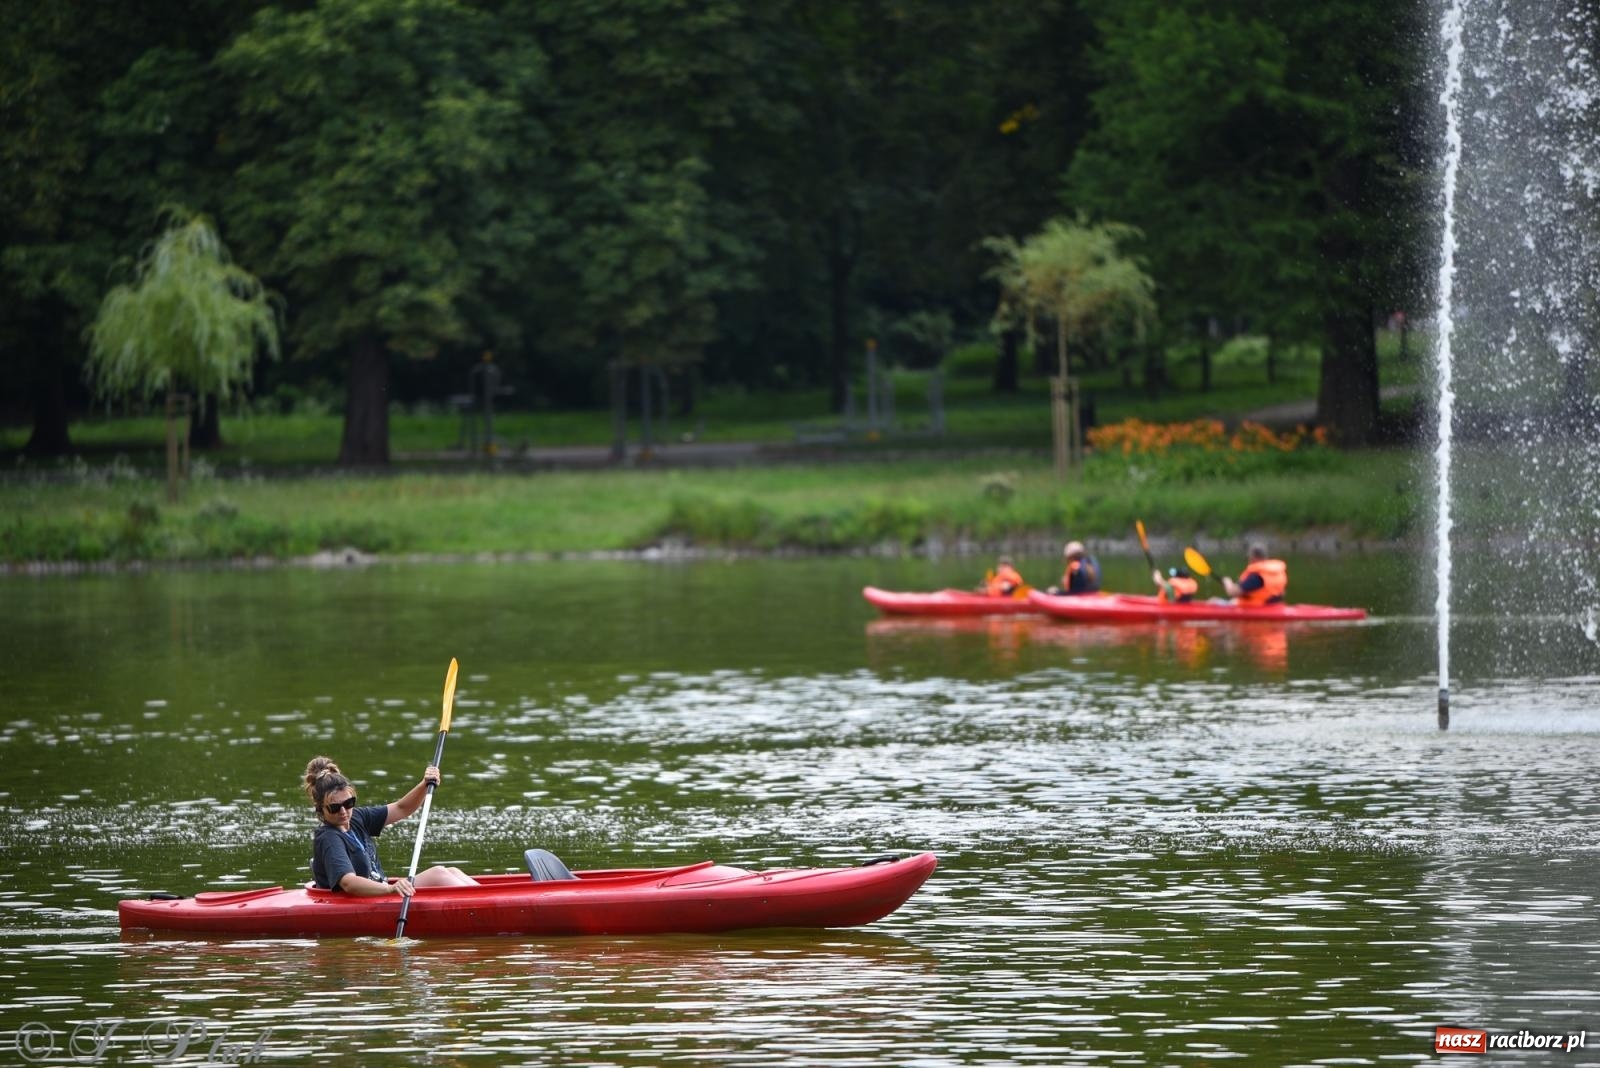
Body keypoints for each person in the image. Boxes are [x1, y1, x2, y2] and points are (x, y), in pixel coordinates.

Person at [304, 756, 478, 896]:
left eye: (349, 803)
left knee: (452, 870)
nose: (343, 811)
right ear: (321, 809)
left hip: (379, 891)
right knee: (439, 873)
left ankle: (488, 898)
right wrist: (390, 889)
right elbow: (348, 883)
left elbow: (401, 808)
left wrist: (425, 784)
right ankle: (483, 904)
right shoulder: (329, 838)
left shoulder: (357, 817)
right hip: (360, 900)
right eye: (335, 807)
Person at [1222, 544, 1288, 605]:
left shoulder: (1256, 577)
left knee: (1213, 601)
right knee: (1234, 600)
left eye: (1249, 556)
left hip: (1256, 607)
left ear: (1253, 557)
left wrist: (1227, 582)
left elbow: (1232, 592)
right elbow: (1282, 593)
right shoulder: (1277, 572)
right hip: (1272, 604)